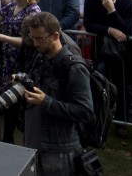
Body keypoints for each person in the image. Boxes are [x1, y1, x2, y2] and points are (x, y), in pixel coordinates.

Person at [21, 12, 94, 175]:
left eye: (40, 39)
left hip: (60, 151)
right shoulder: (40, 57)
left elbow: (86, 112)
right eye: (33, 38)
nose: (35, 43)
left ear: (55, 36)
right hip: (35, 144)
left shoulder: (74, 68)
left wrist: (46, 101)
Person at [0, 0, 42, 143]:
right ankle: (6, 136)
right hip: (5, 59)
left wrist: (2, 38)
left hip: (21, 58)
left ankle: (12, 137)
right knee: (5, 98)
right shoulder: (11, 6)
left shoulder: (33, 10)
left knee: (15, 101)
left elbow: (29, 40)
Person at [83, 0, 132, 136]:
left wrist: (111, 10)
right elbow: (89, 24)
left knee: (121, 86)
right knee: (99, 82)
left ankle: (122, 121)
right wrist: (109, 30)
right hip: (100, 50)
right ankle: (97, 118)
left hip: (122, 54)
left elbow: (127, 29)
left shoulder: (128, 3)